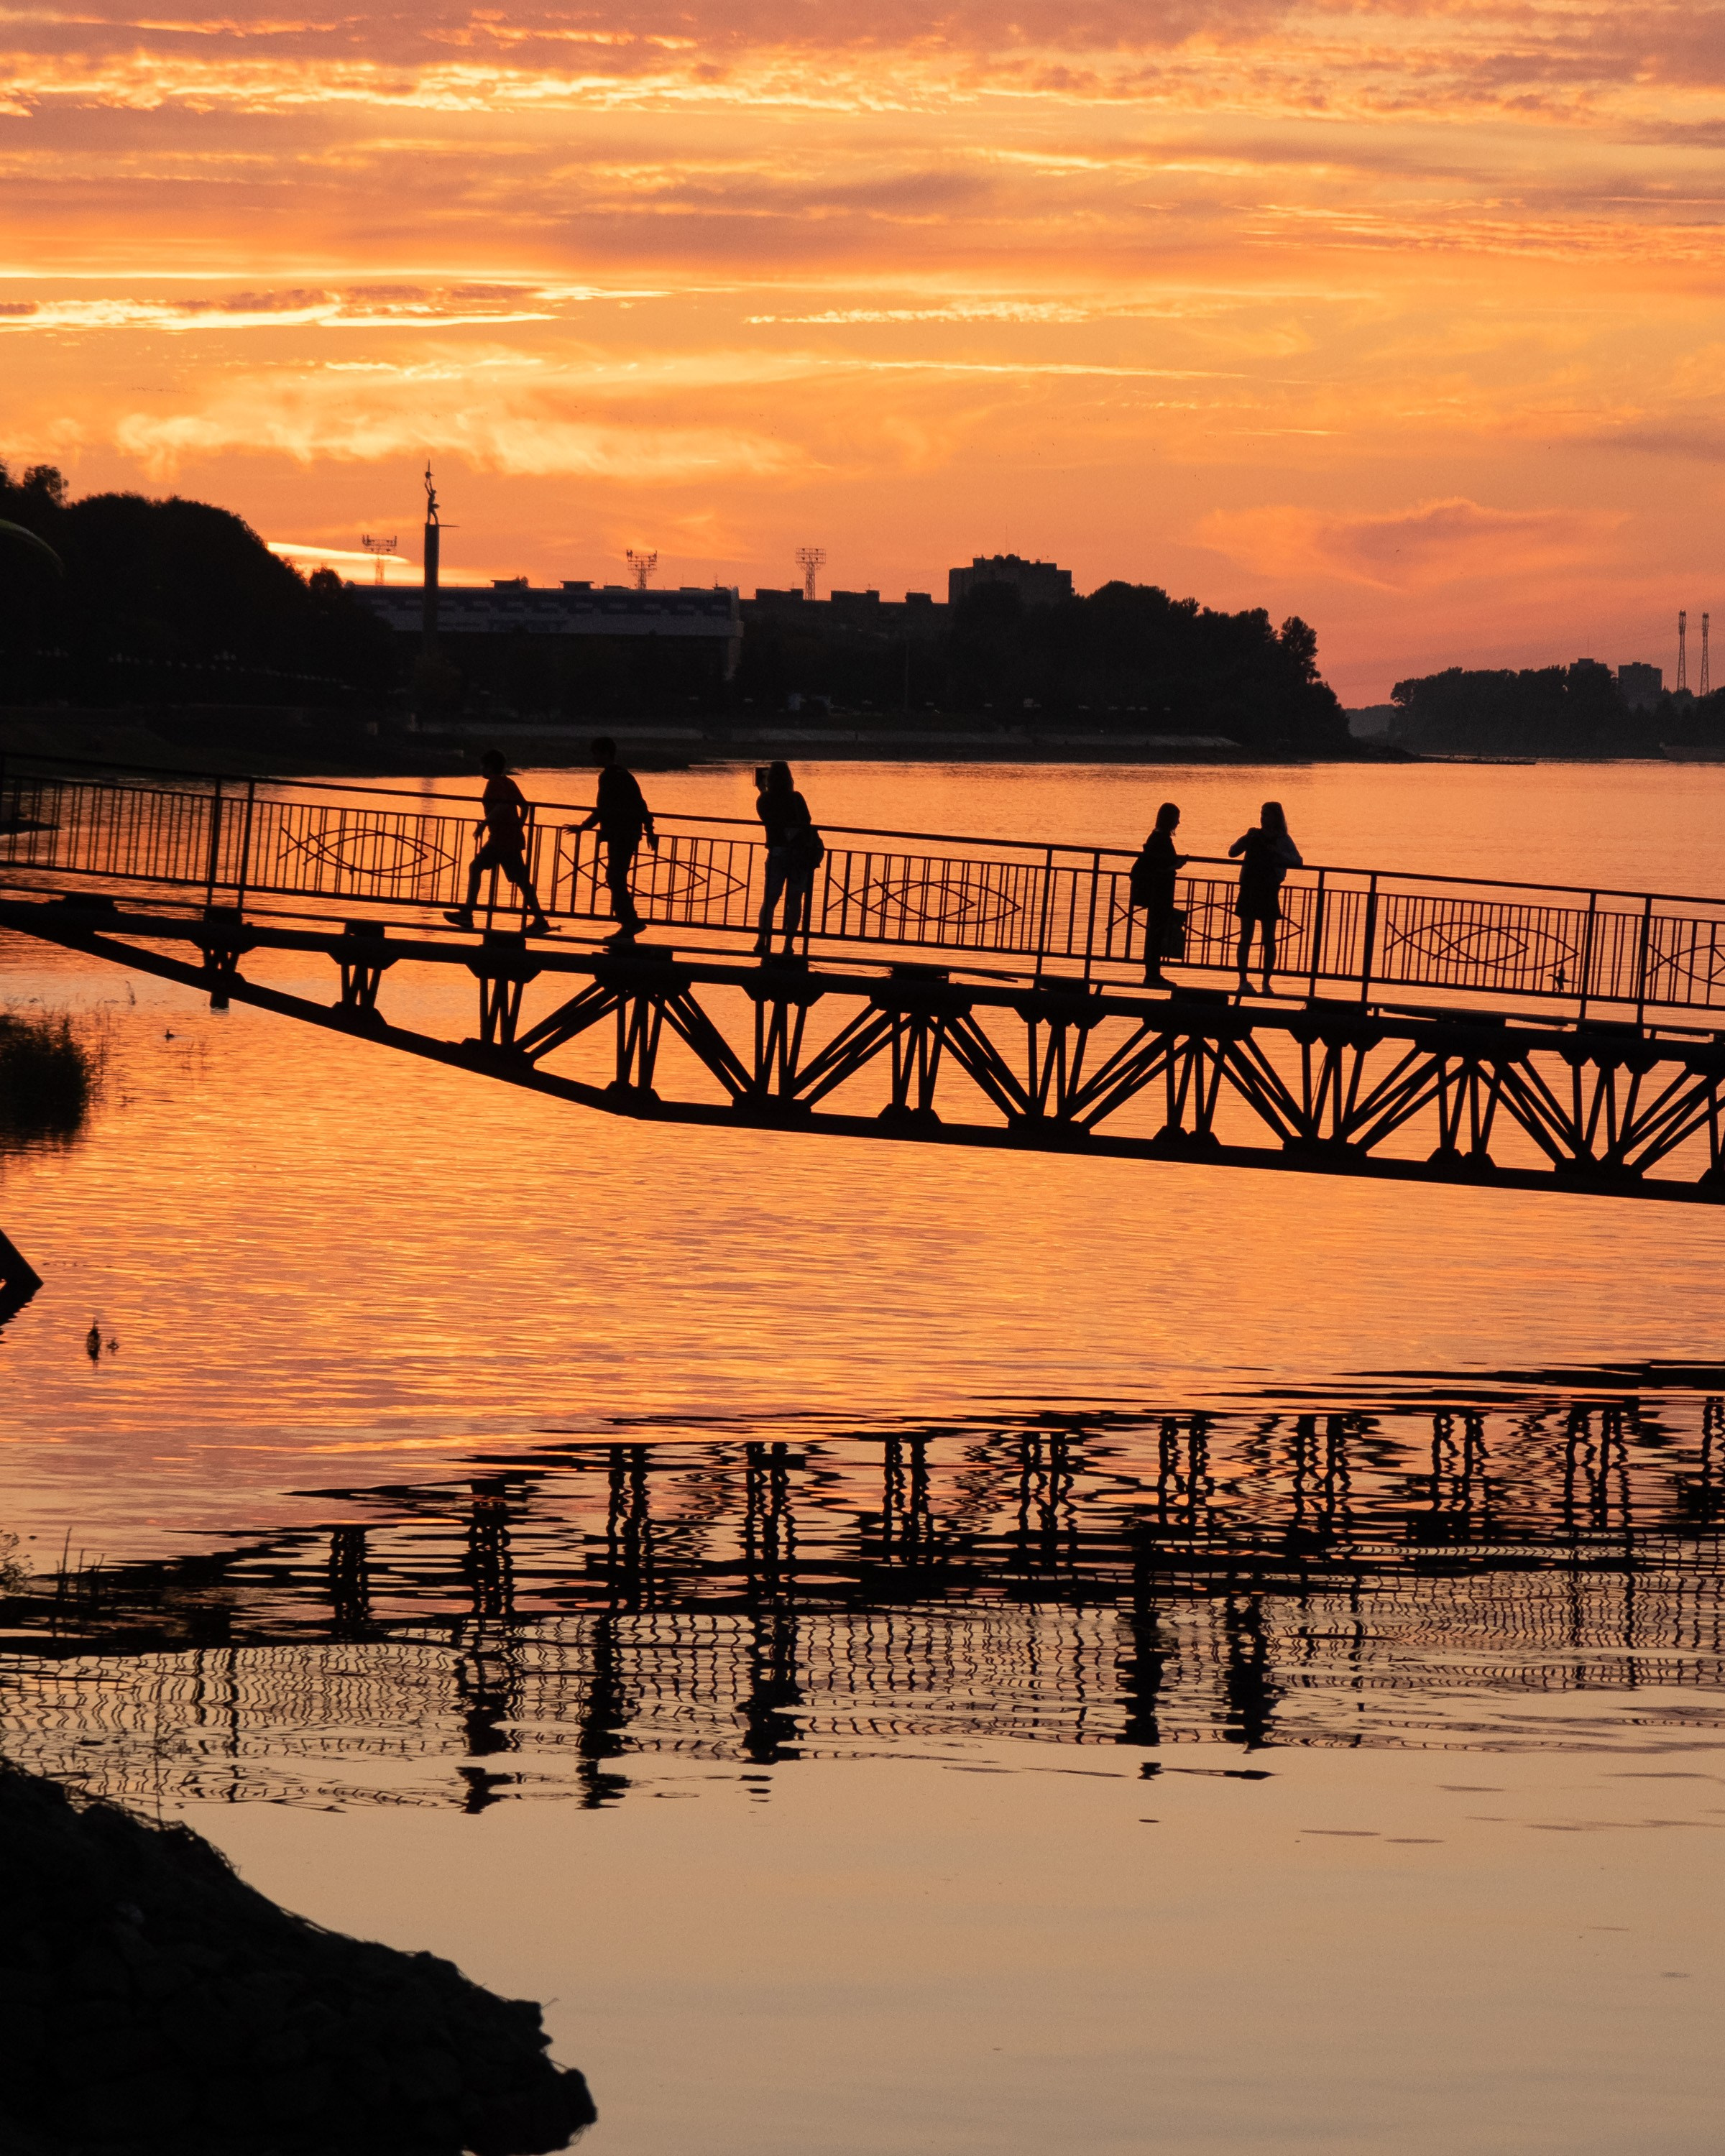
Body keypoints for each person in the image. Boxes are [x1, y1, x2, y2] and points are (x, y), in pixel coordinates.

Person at [444, 750, 550, 935]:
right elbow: (524, 806)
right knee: (521, 880)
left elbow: (502, 805)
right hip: (509, 838)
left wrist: (484, 824)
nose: (480, 769)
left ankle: (467, 914)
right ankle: (540, 919)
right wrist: (519, 825)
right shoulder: (509, 782)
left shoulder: (494, 783)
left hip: (501, 840)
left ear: (490, 767)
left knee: (477, 867)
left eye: (482, 766)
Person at [576, 737, 657, 943]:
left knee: (615, 877)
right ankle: (628, 923)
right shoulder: (625, 774)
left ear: (605, 753)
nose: (593, 758)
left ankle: (630, 922)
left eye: (595, 753)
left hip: (620, 834)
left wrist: (583, 827)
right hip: (629, 833)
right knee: (616, 876)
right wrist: (649, 830)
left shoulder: (608, 776)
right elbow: (641, 803)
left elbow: (602, 808)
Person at [1228, 800, 1302, 995]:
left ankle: (1266, 983)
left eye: (1266, 814)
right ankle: (1243, 981)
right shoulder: (1254, 835)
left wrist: (1276, 853)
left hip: (1269, 890)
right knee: (1246, 936)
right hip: (1250, 889)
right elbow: (1232, 852)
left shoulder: (1282, 839)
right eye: (1262, 814)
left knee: (1268, 939)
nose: (1262, 818)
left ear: (1276, 818)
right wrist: (1246, 838)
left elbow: (1298, 861)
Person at [753, 761, 822, 955]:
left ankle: (762, 939)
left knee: (770, 900)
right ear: (789, 778)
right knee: (795, 900)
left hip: (777, 853)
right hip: (798, 854)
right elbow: (807, 821)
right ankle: (788, 944)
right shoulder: (796, 798)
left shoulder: (764, 800)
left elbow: (765, 817)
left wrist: (763, 791)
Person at [1130, 801, 1187, 989]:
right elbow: (1161, 866)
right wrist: (1177, 865)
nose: (1178, 822)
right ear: (1170, 819)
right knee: (1157, 932)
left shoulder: (1156, 837)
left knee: (1156, 932)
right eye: (1177, 818)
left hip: (1158, 892)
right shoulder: (1161, 839)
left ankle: (1153, 973)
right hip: (1159, 893)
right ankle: (1152, 974)